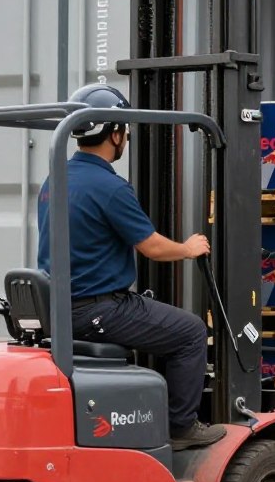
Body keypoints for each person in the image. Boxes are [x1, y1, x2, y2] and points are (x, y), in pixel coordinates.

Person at [37, 84, 226, 451]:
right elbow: (152, 247)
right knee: (189, 332)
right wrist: (189, 248)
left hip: (63, 308)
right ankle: (181, 427)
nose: (125, 136)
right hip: (97, 308)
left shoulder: (54, 180)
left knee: (156, 320)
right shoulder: (110, 187)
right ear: (115, 133)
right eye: (124, 129)